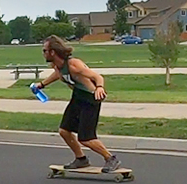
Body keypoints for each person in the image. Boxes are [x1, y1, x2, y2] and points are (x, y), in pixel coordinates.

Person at [33, 35, 121, 172]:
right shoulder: (57, 65)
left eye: (44, 50)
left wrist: (100, 88)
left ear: (53, 52)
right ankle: (81, 159)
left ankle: (110, 158)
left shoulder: (74, 64)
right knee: (64, 131)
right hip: (78, 97)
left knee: (86, 138)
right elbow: (58, 74)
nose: (43, 53)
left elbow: (97, 77)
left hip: (91, 99)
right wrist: (42, 85)